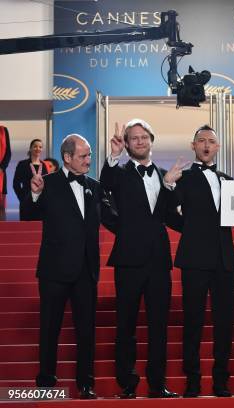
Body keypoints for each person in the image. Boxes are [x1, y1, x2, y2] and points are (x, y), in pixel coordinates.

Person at [163, 125, 234, 398]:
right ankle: (192, 380)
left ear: (217, 147)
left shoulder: (228, 180)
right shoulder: (184, 177)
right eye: (201, 141)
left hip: (224, 260)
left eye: (211, 141)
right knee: (193, 322)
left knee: (224, 323)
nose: (205, 145)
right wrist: (168, 185)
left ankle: (220, 381)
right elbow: (168, 213)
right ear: (193, 146)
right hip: (194, 259)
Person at [100, 120, 179, 399]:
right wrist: (113, 156)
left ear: (151, 140)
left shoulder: (164, 175)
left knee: (159, 327)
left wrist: (204, 227)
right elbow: (103, 187)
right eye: (133, 138)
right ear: (127, 143)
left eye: (143, 136)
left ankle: (158, 384)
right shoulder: (119, 173)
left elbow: (170, 217)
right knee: (126, 325)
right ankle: (128, 383)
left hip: (158, 261)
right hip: (128, 261)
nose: (139, 141)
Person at [26, 134, 104, 399]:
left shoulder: (95, 185)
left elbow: (111, 219)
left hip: (86, 270)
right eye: (83, 156)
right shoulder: (46, 184)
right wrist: (34, 194)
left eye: (90, 154)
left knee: (86, 330)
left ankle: (86, 384)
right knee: (50, 328)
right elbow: (28, 214)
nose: (88, 160)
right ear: (67, 158)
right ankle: (46, 383)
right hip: (54, 270)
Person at [13, 139, 49, 220]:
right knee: (26, 228)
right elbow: (16, 183)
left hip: (41, 201)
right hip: (26, 201)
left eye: (40, 147)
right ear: (30, 148)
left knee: (40, 228)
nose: (38, 149)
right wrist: (22, 198)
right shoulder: (22, 164)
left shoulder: (44, 165)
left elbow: (46, 183)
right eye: (35, 146)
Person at [0, 125, 11, 221]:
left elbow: (8, 152)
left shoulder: (3, 130)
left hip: (1, 174)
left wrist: (1, 168)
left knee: (1, 209)